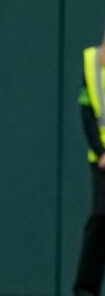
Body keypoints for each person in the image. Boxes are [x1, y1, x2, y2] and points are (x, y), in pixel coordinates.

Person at [74, 39, 105, 296]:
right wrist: (100, 152)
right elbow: (86, 112)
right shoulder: (92, 64)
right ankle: (85, 289)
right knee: (100, 216)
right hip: (102, 162)